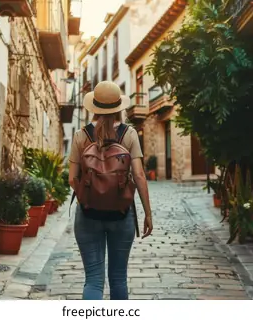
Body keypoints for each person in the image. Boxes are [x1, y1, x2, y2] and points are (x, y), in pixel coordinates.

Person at [68, 81, 153, 300]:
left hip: (87, 215)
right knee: (118, 279)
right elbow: (140, 176)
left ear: (94, 107)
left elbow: (72, 179)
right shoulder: (129, 134)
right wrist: (148, 214)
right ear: (119, 107)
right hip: (122, 214)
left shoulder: (80, 136)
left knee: (93, 280)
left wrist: (90, 196)